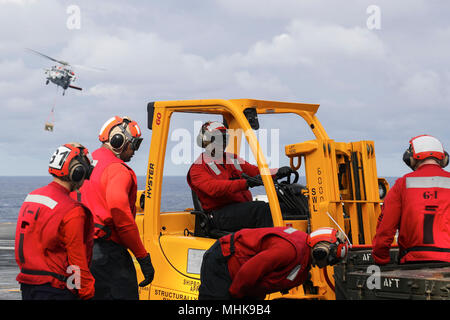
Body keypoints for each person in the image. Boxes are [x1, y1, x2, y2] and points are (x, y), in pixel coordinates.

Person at [78, 116, 155, 300]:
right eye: (134, 144)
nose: (135, 151)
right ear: (118, 141)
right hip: (107, 256)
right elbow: (122, 220)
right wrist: (143, 258)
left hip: (81, 250)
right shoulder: (118, 171)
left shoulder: (85, 164)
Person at [15, 143, 95, 300]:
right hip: (55, 290)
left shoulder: (32, 197)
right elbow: (77, 261)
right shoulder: (72, 210)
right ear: (77, 172)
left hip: (28, 285)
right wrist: (87, 292)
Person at [187, 121, 294, 232]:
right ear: (207, 141)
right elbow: (214, 188)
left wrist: (277, 172)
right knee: (261, 210)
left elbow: (256, 171)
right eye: (219, 138)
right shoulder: (198, 168)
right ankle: (274, 244)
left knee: (283, 206)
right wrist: (246, 183)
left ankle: (295, 238)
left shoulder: (232, 159)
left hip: (240, 209)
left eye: (225, 138)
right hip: (219, 215)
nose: (223, 142)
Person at [198, 226, 348, 300]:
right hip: (224, 262)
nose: (328, 264)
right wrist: (236, 298)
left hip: (240, 277)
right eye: (330, 259)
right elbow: (248, 272)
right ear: (320, 251)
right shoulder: (289, 250)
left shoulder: (303, 257)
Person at [372, 135, 450, 265]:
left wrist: (381, 258)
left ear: (411, 158)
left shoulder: (402, 184)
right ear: (443, 158)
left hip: (413, 262)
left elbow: (386, 228)